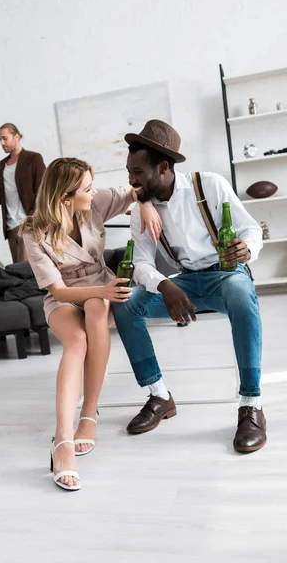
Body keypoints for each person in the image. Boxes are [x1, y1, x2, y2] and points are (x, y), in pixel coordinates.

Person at [112, 119, 266, 454]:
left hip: (226, 275)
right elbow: (140, 264)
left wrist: (247, 249)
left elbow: (251, 229)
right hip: (184, 281)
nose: (131, 181)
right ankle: (159, 396)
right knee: (125, 302)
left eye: (137, 172)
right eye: (128, 172)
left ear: (163, 168)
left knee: (241, 294)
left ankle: (251, 405)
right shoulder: (141, 211)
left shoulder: (208, 185)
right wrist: (164, 285)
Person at [20, 157, 161, 491]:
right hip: (65, 298)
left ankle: (89, 413)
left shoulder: (94, 203)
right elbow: (57, 289)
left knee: (97, 307)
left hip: (100, 290)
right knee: (77, 342)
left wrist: (146, 205)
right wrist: (104, 290)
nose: (93, 191)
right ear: (66, 198)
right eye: (86, 188)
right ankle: (62, 440)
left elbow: (140, 186)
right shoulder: (33, 231)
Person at [0, 123, 45, 263]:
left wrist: (31, 219)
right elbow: (6, 192)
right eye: (0, 140)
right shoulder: (2, 164)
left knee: (28, 270)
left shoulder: (33, 158)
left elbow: (43, 191)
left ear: (17, 136)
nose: (2, 143)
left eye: (4, 138)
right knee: (19, 269)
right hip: (10, 227)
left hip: (27, 224)